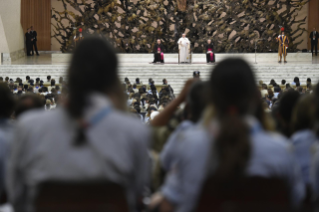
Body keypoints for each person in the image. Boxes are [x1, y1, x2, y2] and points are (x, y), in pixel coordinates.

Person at [7, 37, 150, 212]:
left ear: (70, 73)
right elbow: (136, 195)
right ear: (113, 77)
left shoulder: (29, 127)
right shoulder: (134, 131)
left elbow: (17, 197)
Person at [150, 59, 304, 212]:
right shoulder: (282, 149)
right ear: (255, 97)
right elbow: (298, 203)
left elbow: (167, 206)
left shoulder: (188, 144)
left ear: (211, 97)